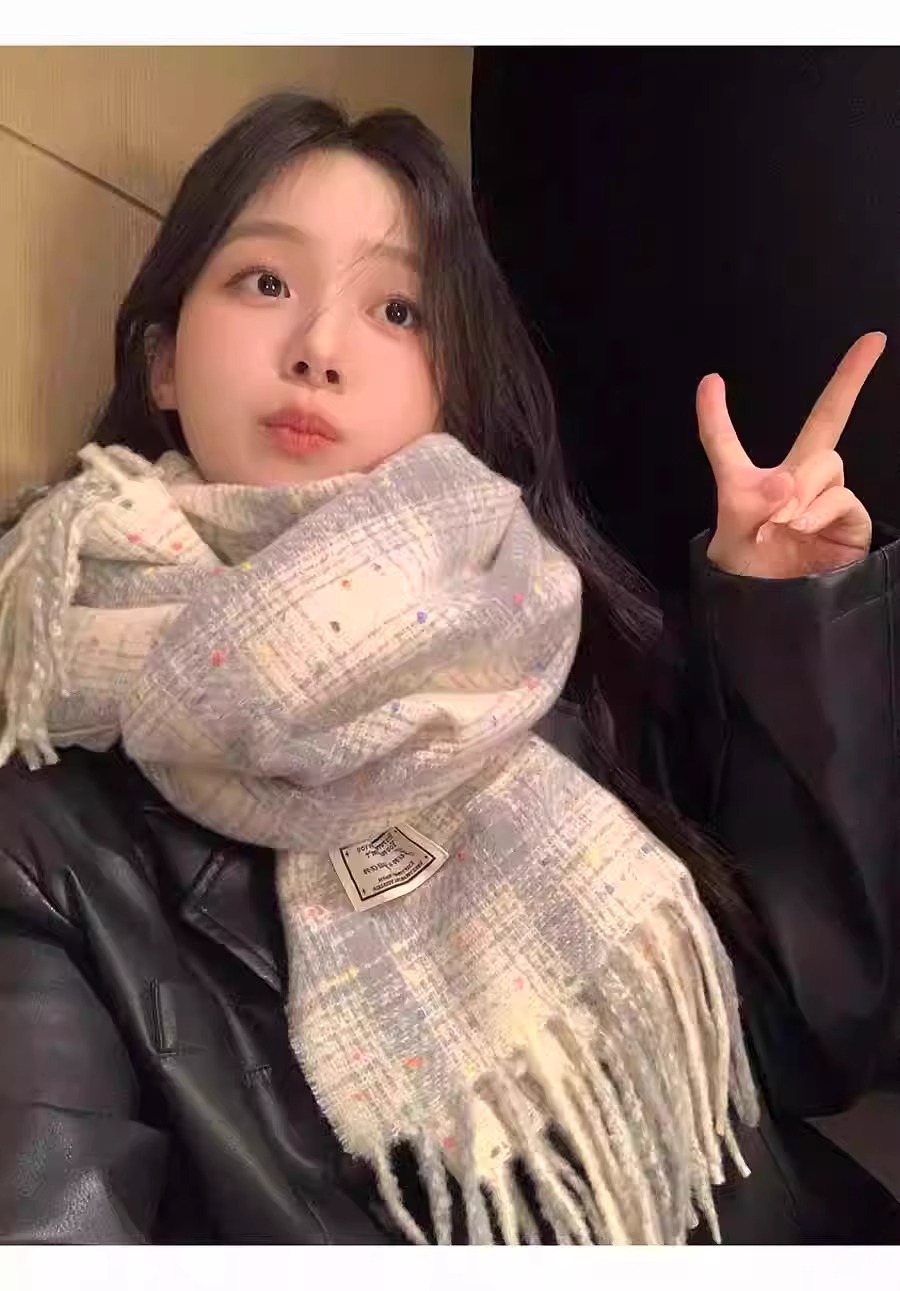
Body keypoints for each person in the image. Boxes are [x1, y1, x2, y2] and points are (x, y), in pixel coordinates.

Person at [0, 92, 897, 1246]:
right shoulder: (44, 823)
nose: (319, 347)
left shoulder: (552, 654)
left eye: (396, 308)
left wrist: (783, 615)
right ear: (163, 360)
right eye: (265, 281)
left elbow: (805, 1035)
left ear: (447, 394)